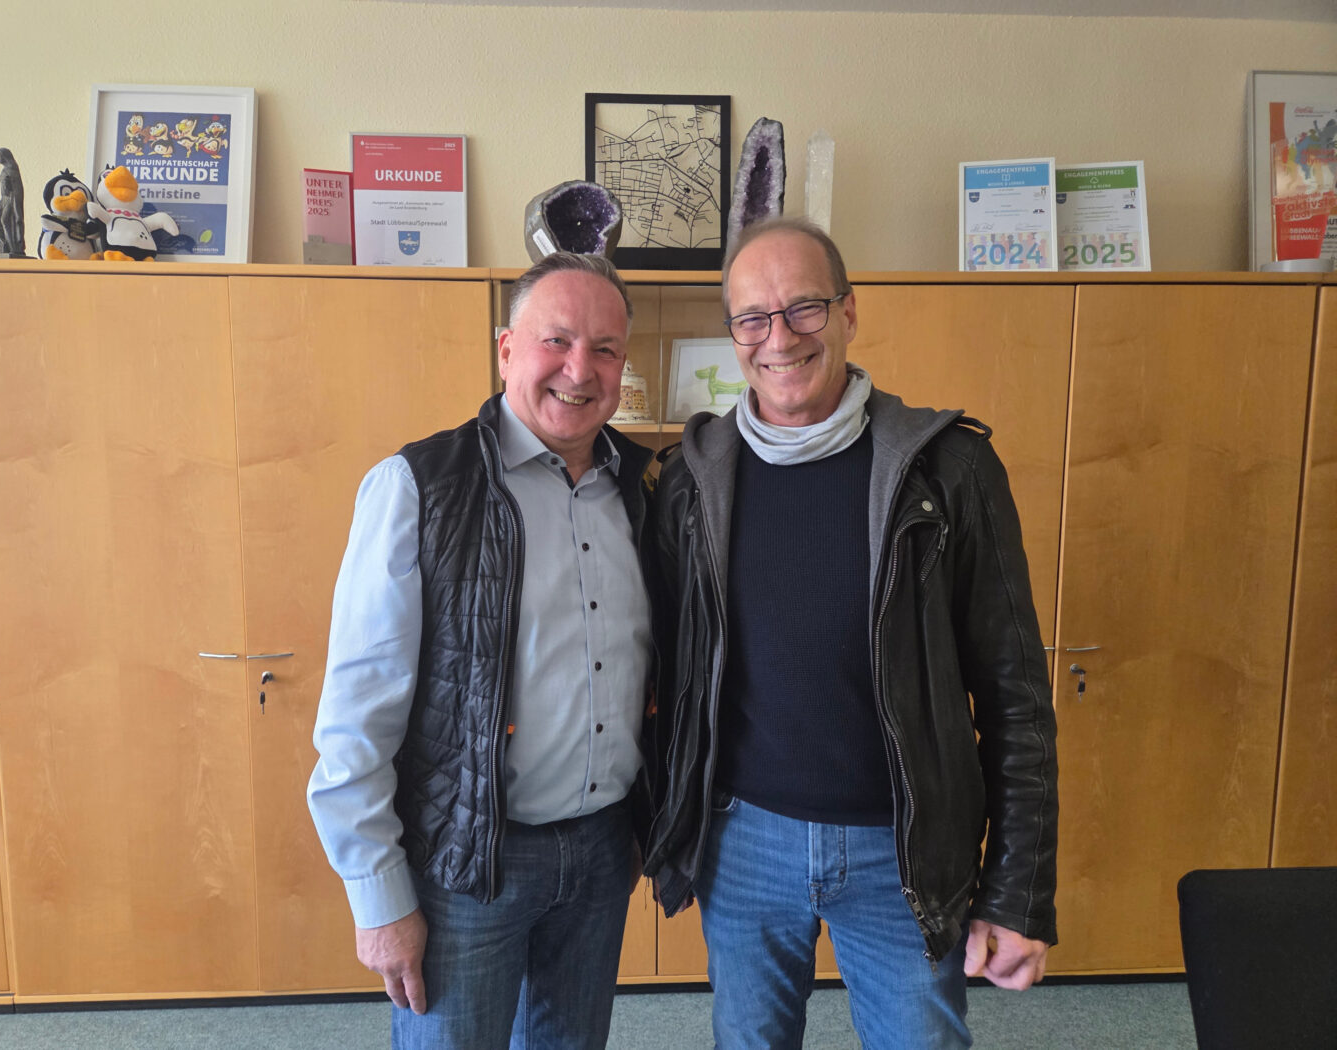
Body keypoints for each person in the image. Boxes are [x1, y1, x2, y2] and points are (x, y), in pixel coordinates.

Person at [644, 217, 1059, 1048]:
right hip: (744, 843)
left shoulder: (950, 470)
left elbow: (1014, 695)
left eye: (804, 307)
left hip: (902, 850)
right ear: (733, 333)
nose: (779, 338)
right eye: (752, 318)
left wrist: (1019, 891)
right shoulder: (690, 481)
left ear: (849, 311)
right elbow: (665, 677)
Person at [308, 251, 655, 1050]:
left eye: (605, 349)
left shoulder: (642, 490)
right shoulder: (419, 486)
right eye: (555, 340)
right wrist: (378, 897)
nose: (580, 370)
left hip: (603, 855)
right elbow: (359, 711)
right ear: (506, 350)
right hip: (466, 868)